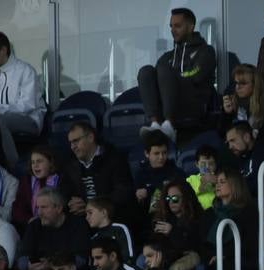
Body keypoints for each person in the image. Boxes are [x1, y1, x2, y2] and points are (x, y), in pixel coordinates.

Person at [136, 9, 217, 139]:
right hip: (170, 104)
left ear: (191, 27)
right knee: (146, 71)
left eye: (178, 26)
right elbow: (157, 81)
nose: (173, 30)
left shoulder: (206, 51)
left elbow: (196, 75)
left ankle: (169, 124)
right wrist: (169, 78)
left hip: (194, 105)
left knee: (164, 71)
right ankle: (155, 123)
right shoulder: (168, 57)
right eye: (171, 26)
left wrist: (173, 77)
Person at [0, 33, 44, 167]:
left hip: (30, 119)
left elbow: (27, 105)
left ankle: (11, 165)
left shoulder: (25, 70)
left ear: (3, 50)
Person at [59, 122, 135, 219]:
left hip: (113, 218)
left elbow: (123, 193)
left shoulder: (114, 158)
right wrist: (72, 203)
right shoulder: (69, 165)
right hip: (82, 221)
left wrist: (91, 206)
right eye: (71, 143)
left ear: (90, 137)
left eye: (76, 141)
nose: (72, 147)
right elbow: (64, 193)